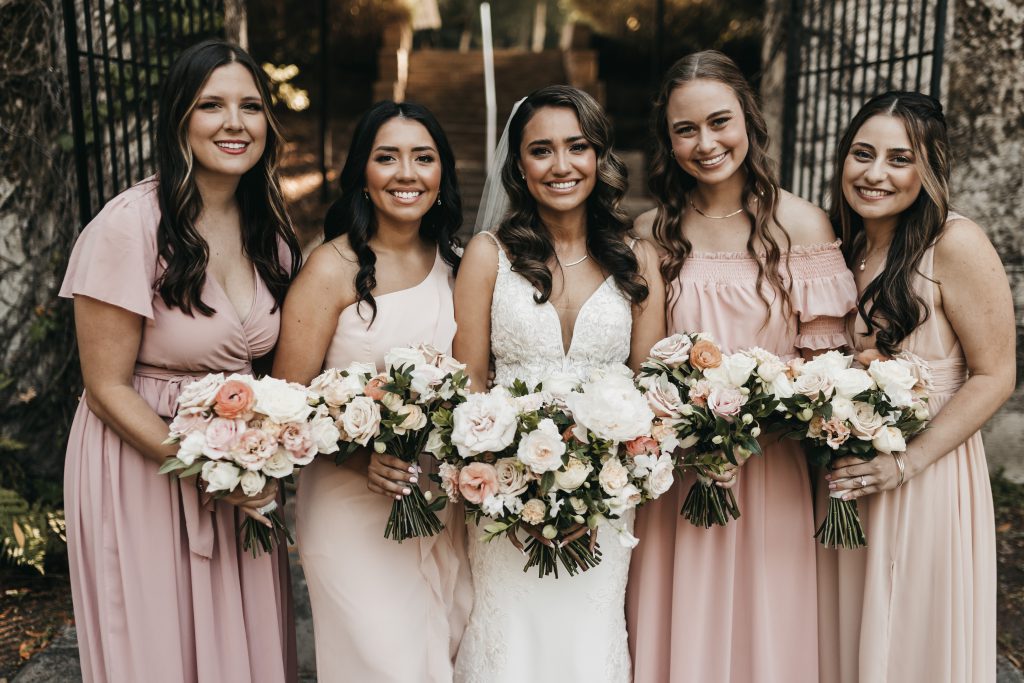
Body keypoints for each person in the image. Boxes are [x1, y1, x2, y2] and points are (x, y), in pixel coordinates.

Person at [60, 39, 300, 683]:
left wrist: (261, 456)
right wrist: (203, 467)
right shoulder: (127, 226)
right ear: (178, 120)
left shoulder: (269, 231)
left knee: (241, 639)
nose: (234, 123)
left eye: (250, 106)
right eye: (211, 105)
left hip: (241, 468)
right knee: (158, 645)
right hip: (145, 461)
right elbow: (105, 386)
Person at [626, 50, 858, 683]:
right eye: (685, 129)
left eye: (719, 121)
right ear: (668, 140)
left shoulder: (801, 224)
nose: (706, 143)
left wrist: (754, 427)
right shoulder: (651, 232)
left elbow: (828, 375)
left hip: (772, 472)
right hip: (677, 475)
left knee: (766, 629)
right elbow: (638, 362)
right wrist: (693, 436)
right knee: (679, 624)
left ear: (750, 121)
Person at [452, 84, 666, 683]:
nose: (561, 165)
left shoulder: (637, 258)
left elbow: (651, 392)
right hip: (504, 495)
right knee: (510, 645)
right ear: (518, 165)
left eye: (577, 147)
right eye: (541, 150)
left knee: (587, 641)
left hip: (608, 499)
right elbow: (467, 389)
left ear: (600, 155)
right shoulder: (487, 255)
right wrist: (509, 488)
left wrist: (604, 485)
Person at [817, 91, 1013, 683]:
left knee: (911, 647)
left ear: (929, 170)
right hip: (845, 481)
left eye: (899, 159)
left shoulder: (954, 243)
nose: (875, 174)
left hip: (926, 479)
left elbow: (997, 375)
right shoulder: (839, 245)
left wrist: (905, 464)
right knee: (850, 640)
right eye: (862, 154)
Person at [272, 100, 472, 683]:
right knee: (383, 663)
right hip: (349, 505)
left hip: (436, 498)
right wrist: (360, 454)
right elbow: (287, 406)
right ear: (362, 171)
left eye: (423, 158)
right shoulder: (330, 269)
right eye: (387, 158)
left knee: (444, 647)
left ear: (443, 174)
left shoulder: (457, 264)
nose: (406, 174)